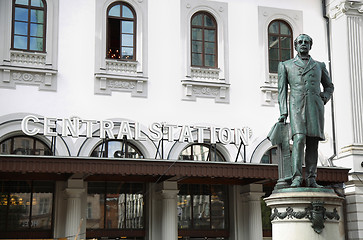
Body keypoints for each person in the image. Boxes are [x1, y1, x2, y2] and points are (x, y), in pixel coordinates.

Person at [278, 34, 334, 188]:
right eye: (300, 42)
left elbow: (329, 86)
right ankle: (297, 177)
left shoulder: (319, 65)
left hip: (315, 107)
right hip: (296, 106)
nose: (303, 44)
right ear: (295, 46)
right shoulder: (286, 65)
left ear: (310, 45)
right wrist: (283, 112)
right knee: (299, 139)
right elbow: (282, 91)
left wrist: (325, 96)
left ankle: (311, 178)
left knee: (313, 142)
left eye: (306, 42)